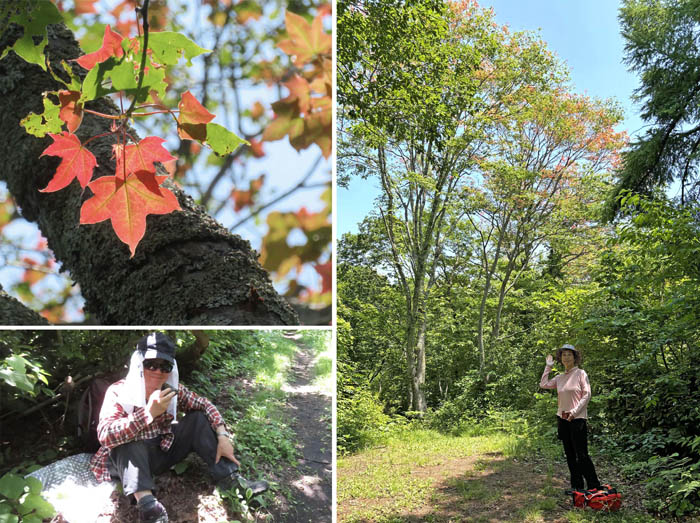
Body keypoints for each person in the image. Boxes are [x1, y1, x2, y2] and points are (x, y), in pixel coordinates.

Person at [89, 332, 268, 523]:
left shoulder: (170, 390)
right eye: (152, 364)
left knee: (198, 419)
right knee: (128, 441)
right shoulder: (119, 391)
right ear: (140, 365)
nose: (158, 371)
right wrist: (148, 413)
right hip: (125, 462)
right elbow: (106, 436)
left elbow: (204, 404)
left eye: (164, 366)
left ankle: (231, 482)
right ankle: (149, 508)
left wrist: (223, 435)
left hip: (158, 452)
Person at [540, 343, 601, 494]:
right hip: (562, 419)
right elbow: (543, 384)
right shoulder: (560, 377)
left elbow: (587, 395)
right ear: (560, 358)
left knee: (582, 454)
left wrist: (574, 412)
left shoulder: (581, 373)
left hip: (577, 419)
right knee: (570, 454)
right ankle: (577, 486)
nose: (566, 357)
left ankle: (594, 486)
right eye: (563, 354)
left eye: (569, 354)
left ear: (575, 357)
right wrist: (548, 367)